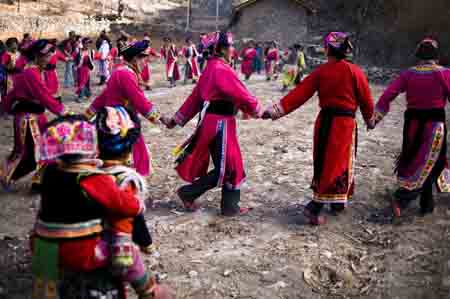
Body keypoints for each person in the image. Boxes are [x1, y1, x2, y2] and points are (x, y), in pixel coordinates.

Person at [32, 115, 171, 299]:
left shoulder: (50, 173)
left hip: (42, 245)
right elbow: (120, 203)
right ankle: (149, 291)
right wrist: (137, 205)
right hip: (79, 251)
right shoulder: (92, 179)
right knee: (126, 251)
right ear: (90, 149)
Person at [263, 32, 374, 225]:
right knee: (338, 164)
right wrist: (370, 119)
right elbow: (366, 101)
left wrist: (275, 111)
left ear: (327, 50)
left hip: (324, 123)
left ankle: (337, 202)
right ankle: (314, 207)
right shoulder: (355, 72)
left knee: (324, 162)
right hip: (344, 125)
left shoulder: (322, 72)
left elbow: (299, 94)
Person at [162, 31, 263, 216]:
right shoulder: (220, 69)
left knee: (231, 165)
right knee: (228, 168)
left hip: (215, 123)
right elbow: (241, 94)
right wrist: (257, 110)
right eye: (229, 46)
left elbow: (194, 99)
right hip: (220, 125)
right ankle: (188, 193)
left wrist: (177, 119)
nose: (232, 50)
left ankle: (229, 206)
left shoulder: (211, 68)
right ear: (220, 49)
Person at [369, 37, 450, 218]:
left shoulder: (409, 74)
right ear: (436, 56)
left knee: (415, 159)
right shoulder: (444, 74)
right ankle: (402, 198)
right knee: (433, 163)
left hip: (412, 125)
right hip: (434, 125)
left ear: (418, 55)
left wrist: (376, 117)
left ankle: (426, 204)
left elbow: (389, 94)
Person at [85, 40, 163, 177]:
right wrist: (161, 118)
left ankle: (134, 176)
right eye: (144, 58)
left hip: (118, 118)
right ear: (135, 58)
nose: (146, 62)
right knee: (132, 151)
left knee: (131, 149)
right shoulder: (125, 74)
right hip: (121, 120)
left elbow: (104, 96)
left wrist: (88, 114)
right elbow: (139, 100)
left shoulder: (122, 72)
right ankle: (136, 178)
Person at [0, 39, 66, 191]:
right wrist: (62, 112)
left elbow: (15, 94)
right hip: (28, 119)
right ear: (37, 55)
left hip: (35, 116)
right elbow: (43, 96)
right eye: (46, 55)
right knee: (27, 153)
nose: (49, 58)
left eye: (50, 55)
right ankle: (7, 176)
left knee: (43, 149)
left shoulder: (35, 70)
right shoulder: (31, 72)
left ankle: (38, 181)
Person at [96, 106, 156, 263]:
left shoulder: (90, 173)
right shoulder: (125, 179)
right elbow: (135, 214)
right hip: (111, 248)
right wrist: (147, 243)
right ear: (128, 151)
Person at [75, 38, 95, 103]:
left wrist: (91, 67)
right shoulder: (79, 51)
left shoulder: (91, 51)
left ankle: (87, 93)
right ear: (83, 44)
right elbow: (76, 60)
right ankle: (81, 96)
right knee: (82, 83)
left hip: (87, 69)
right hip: (81, 69)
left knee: (86, 82)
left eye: (89, 43)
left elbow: (92, 60)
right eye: (87, 43)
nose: (88, 45)